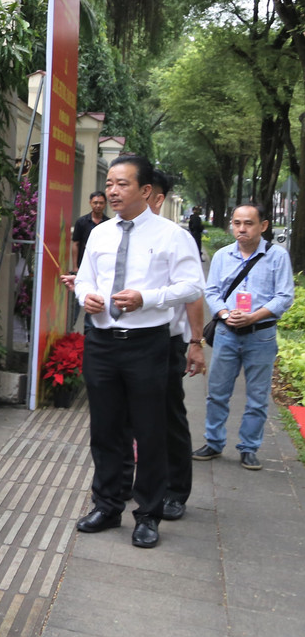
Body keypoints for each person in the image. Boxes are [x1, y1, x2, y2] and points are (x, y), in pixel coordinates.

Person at [72, 154, 203, 549]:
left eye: (121, 184)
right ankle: (107, 504)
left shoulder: (171, 235)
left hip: (147, 343)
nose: (111, 190)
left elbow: (192, 286)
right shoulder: (100, 233)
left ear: (146, 191)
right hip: (101, 341)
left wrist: (147, 297)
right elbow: (83, 278)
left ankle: (148, 513)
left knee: (150, 432)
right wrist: (86, 297)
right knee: (106, 429)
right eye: (109, 183)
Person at [128, 170, 206, 520]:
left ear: (155, 197)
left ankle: (176, 490)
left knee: (168, 417)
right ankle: (140, 485)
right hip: (130, 342)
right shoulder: (123, 235)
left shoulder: (175, 238)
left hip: (167, 341)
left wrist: (196, 341)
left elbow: (192, 294)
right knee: (134, 419)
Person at [193, 202, 295, 470]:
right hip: (227, 333)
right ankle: (214, 443)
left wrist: (254, 316)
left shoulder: (277, 256)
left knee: (258, 397)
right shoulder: (223, 256)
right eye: (237, 223)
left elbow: (284, 296)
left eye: (248, 223)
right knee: (217, 392)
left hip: (260, 335)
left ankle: (249, 448)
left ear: (263, 226)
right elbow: (212, 291)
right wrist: (225, 314)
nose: (241, 229)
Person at [70, 190, 108, 267]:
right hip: (84, 262)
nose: (98, 205)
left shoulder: (108, 223)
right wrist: (75, 266)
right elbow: (75, 244)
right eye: (95, 203)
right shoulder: (81, 222)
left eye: (101, 203)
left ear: (105, 204)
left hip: (102, 262)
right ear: (90, 202)